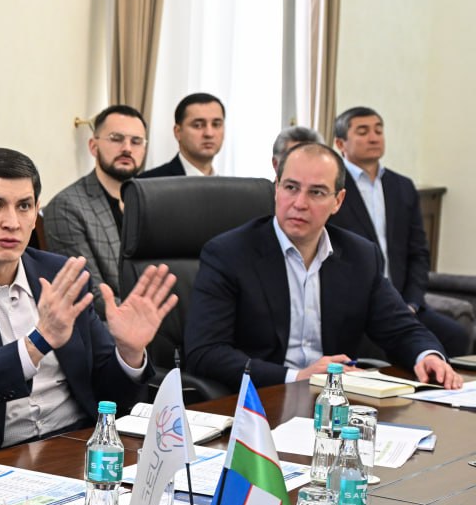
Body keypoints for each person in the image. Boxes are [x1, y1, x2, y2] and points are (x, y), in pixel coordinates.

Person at [0, 148, 177, 451]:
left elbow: (109, 396)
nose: (12, 222)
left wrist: (129, 353)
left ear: (36, 211)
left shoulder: (62, 276)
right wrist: (36, 343)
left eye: (24, 206)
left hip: (78, 445)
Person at [183, 143, 461, 390]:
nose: (300, 203)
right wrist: (296, 377)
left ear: (338, 201)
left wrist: (427, 356)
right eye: (291, 188)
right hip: (259, 401)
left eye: (316, 192)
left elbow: (401, 328)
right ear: (276, 188)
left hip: (336, 402)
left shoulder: (360, 256)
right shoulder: (229, 254)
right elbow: (205, 352)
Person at [328, 106, 470, 357]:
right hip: (357, 307)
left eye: (378, 130)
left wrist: (412, 302)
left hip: (403, 304)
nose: (374, 137)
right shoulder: (331, 188)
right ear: (340, 143)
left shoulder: (401, 186)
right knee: (379, 349)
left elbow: (418, 254)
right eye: (363, 131)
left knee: (456, 337)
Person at [44, 104, 147, 308]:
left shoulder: (153, 201)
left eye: (136, 141)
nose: (127, 148)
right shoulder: (66, 207)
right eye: (116, 138)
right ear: (93, 146)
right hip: (112, 320)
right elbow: (89, 293)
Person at [140, 92, 226, 177]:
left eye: (216, 124)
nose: (209, 133)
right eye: (198, 125)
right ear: (178, 132)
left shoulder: (230, 184)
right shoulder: (148, 182)